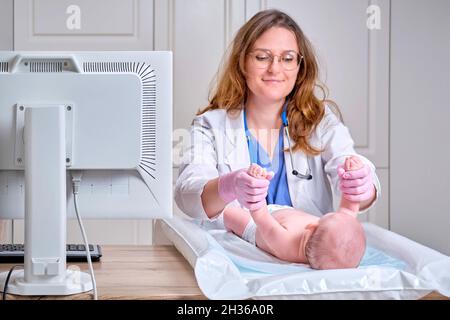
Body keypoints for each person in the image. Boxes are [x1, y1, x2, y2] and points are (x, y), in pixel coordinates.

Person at [175, 9, 380, 225]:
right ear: (243, 63)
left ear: (299, 67)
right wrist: (229, 186)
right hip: (235, 251)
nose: (275, 68)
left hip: (305, 253)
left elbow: (348, 169)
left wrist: (360, 184)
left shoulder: (320, 122)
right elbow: (187, 197)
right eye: (262, 57)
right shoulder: (210, 126)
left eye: (287, 58)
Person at [223, 157, 366, 269]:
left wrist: (257, 185)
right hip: (284, 212)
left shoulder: (285, 243)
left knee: (230, 215)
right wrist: (352, 174)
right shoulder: (331, 232)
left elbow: (261, 217)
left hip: (258, 227)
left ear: (312, 226)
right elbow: (348, 209)